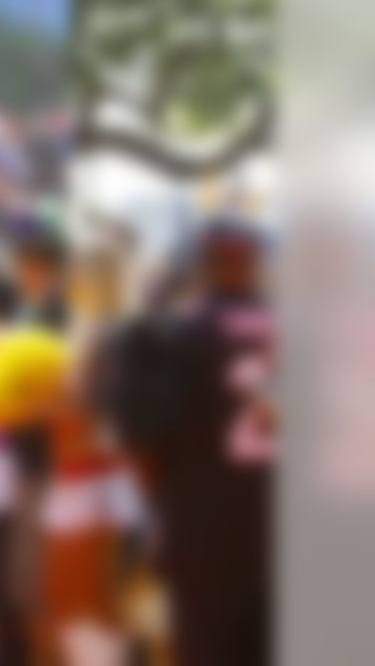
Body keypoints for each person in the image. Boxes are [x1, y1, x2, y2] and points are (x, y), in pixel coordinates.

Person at [99, 218, 272, 666]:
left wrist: (161, 505)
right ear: (257, 261)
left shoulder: (166, 331)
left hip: (201, 528)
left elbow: (135, 438)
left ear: (198, 263)